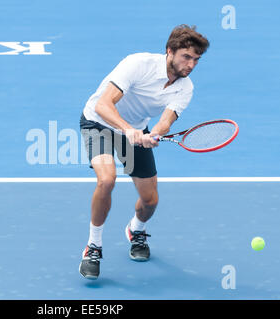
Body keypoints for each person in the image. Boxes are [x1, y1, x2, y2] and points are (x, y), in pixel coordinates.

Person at [79, 24, 210, 280]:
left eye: (196, 59)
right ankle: (93, 247)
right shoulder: (138, 64)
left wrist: (154, 135)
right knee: (107, 180)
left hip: (136, 131)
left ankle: (136, 230)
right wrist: (128, 130)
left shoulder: (186, 88)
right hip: (98, 123)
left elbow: (166, 120)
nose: (191, 65)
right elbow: (105, 105)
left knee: (150, 201)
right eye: (186, 57)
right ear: (170, 51)